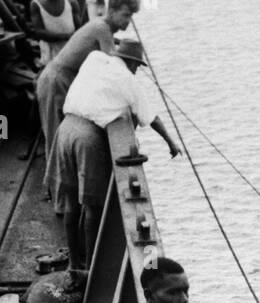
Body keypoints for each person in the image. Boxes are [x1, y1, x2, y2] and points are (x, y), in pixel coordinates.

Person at [52, 38, 181, 273]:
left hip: (65, 129)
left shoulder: (95, 59)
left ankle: (74, 263)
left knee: (71, 202)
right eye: (137, 67)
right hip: (86, 138)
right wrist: (171, 143)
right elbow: (150, 117)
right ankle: (91, 268)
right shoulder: (128, 80)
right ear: (133, 64)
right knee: (93, 205)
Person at [36, 0, 134, 199]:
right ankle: (58, 196)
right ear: (112, 10)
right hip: (55, 81)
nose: (128, 21)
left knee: (60, 137)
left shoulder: (101, 28)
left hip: (63, 80)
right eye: (125, 15)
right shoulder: (102, 28)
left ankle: (60, 193)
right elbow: (113, 66)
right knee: (56, 137)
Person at [28, 0, 88, 67]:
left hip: (71, 50)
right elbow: (40, 32)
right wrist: (66, 36)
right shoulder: (36, 4)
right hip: (50, 54)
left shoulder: (71, 2)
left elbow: (79, 29)